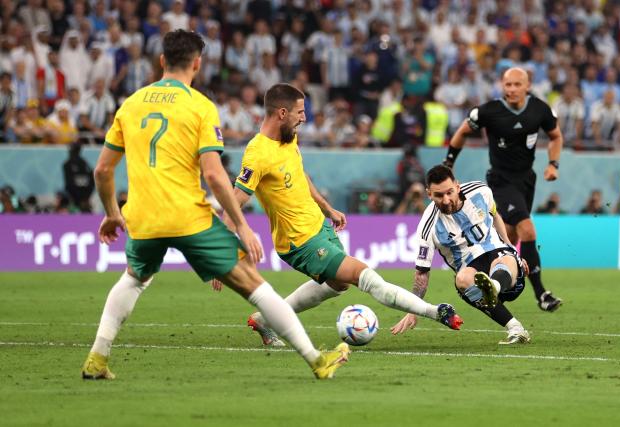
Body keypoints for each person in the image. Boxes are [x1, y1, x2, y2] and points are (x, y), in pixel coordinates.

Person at [81, 30, 350, 381]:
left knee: (134, 279)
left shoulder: (130, 104)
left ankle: (97, 358)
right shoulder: (199, 107)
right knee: (255, 285)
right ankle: (317, 360)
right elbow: (214, 174)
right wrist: (240, 225)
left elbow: (102, 170)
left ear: (161, 61)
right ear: (197, 63)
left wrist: (112, 214)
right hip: (189, 217)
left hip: (143, 217)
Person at [217, 83, 463, 347]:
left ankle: (266, 320)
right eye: (299, 112)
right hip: (300, 242)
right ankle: (436, 311)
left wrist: (326, 208)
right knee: (364, 276)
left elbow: (300, 175)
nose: (304, 118)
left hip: (319, 227)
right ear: (281, 113)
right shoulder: (257, 154)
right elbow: (234, 202)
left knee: (339, 285)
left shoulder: (288, 138)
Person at [443, 67, 563, 312]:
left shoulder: (540, 109)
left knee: (511, 237)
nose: (512, 89)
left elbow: (556, 136)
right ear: (502, 86)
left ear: (527, 86)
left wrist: (553, 164)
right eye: (507, 85)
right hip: (500, 180)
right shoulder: (488, 111)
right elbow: (463, 131)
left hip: (526, 181)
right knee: (527, 229)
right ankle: (542, 294)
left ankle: (496, 289)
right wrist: (448, 163)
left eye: (517, 84)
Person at [391, 165, 531, 345]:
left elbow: (495, 216)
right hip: (472, 279)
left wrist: (512, 249)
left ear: (457, 186)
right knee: (462, 279)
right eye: (439, 195)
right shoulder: (428, 226)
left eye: (449, 192)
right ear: (429, 194)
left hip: (502, 262)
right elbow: (422, 273)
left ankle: (493, 287)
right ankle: (516, 329)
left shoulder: (481, 191)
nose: (446, 200)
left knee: (502, 259)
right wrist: (413, 309)